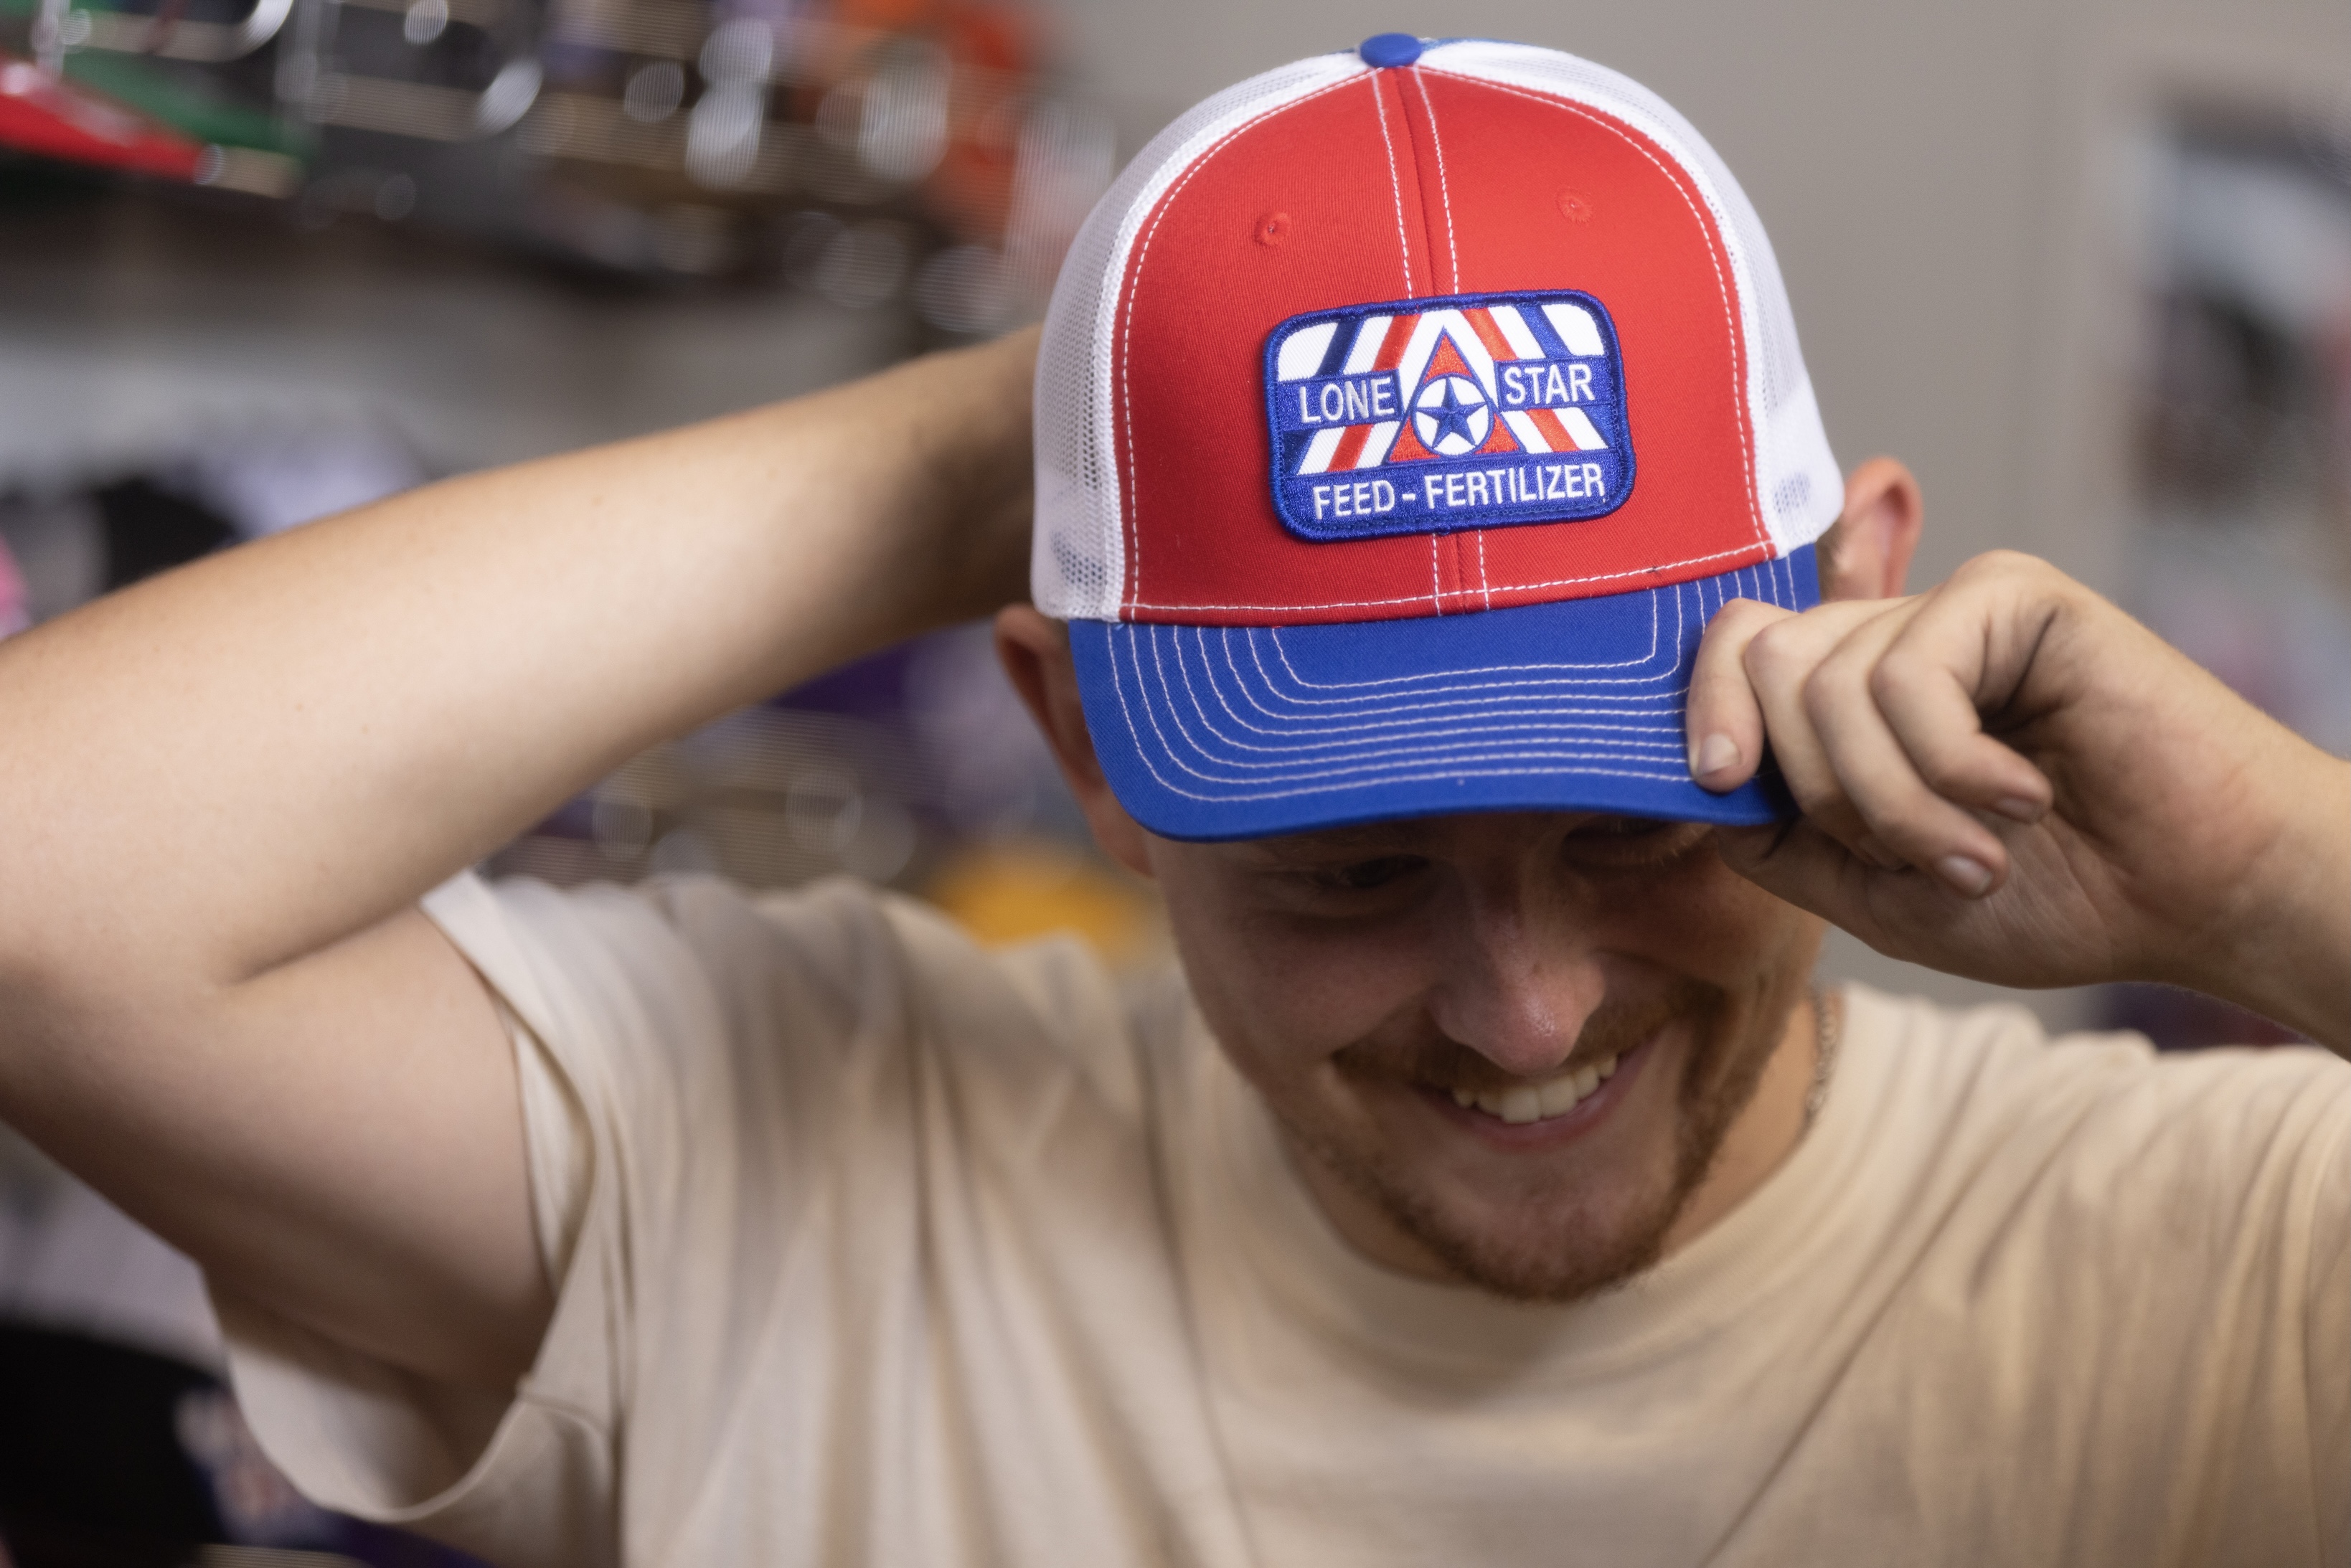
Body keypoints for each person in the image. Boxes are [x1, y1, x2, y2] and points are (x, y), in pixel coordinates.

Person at [0, 34, 2342, 1568]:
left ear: (1870, 591)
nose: (1524, 1014)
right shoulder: (807, 1173)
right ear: (1072, 733)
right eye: (1352, 859)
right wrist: (1081, 411)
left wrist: (2267, 875)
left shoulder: (2222, 1267)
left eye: (1636, 824)